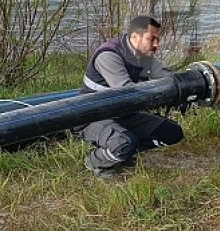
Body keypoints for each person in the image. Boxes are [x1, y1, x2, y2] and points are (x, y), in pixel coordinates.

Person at [76, 15, 184, 178]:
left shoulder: (145, 55)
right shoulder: (108, 55)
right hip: (92, 116)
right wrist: (160, 97)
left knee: (172, 133)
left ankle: (124, 153)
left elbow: (164, 76)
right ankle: (95, 161)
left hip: (123, 113)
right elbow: (127, 92)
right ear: (135, 36)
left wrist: (185, 86)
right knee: (124, 143)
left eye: (157, 39)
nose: (156, 45)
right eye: (151, 39)